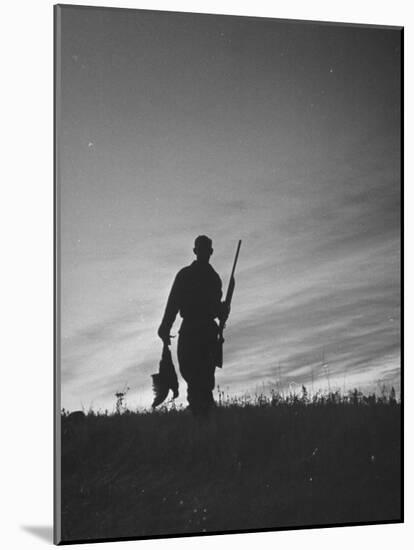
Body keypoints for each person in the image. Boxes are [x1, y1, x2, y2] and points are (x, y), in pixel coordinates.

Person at [158, 235, 229, 415]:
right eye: (201, 248)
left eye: (206, 249)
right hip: (193, 330)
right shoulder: (186, 275)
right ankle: (201, 414)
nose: (204, 252)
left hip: (204, 332)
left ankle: (201, 416)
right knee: (193, 374)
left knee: (203, 378)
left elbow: (215, 308)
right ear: (195, 251)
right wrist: (165, 327)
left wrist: (222, 311)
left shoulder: (214, 279)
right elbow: (173, 303)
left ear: (210, 252)